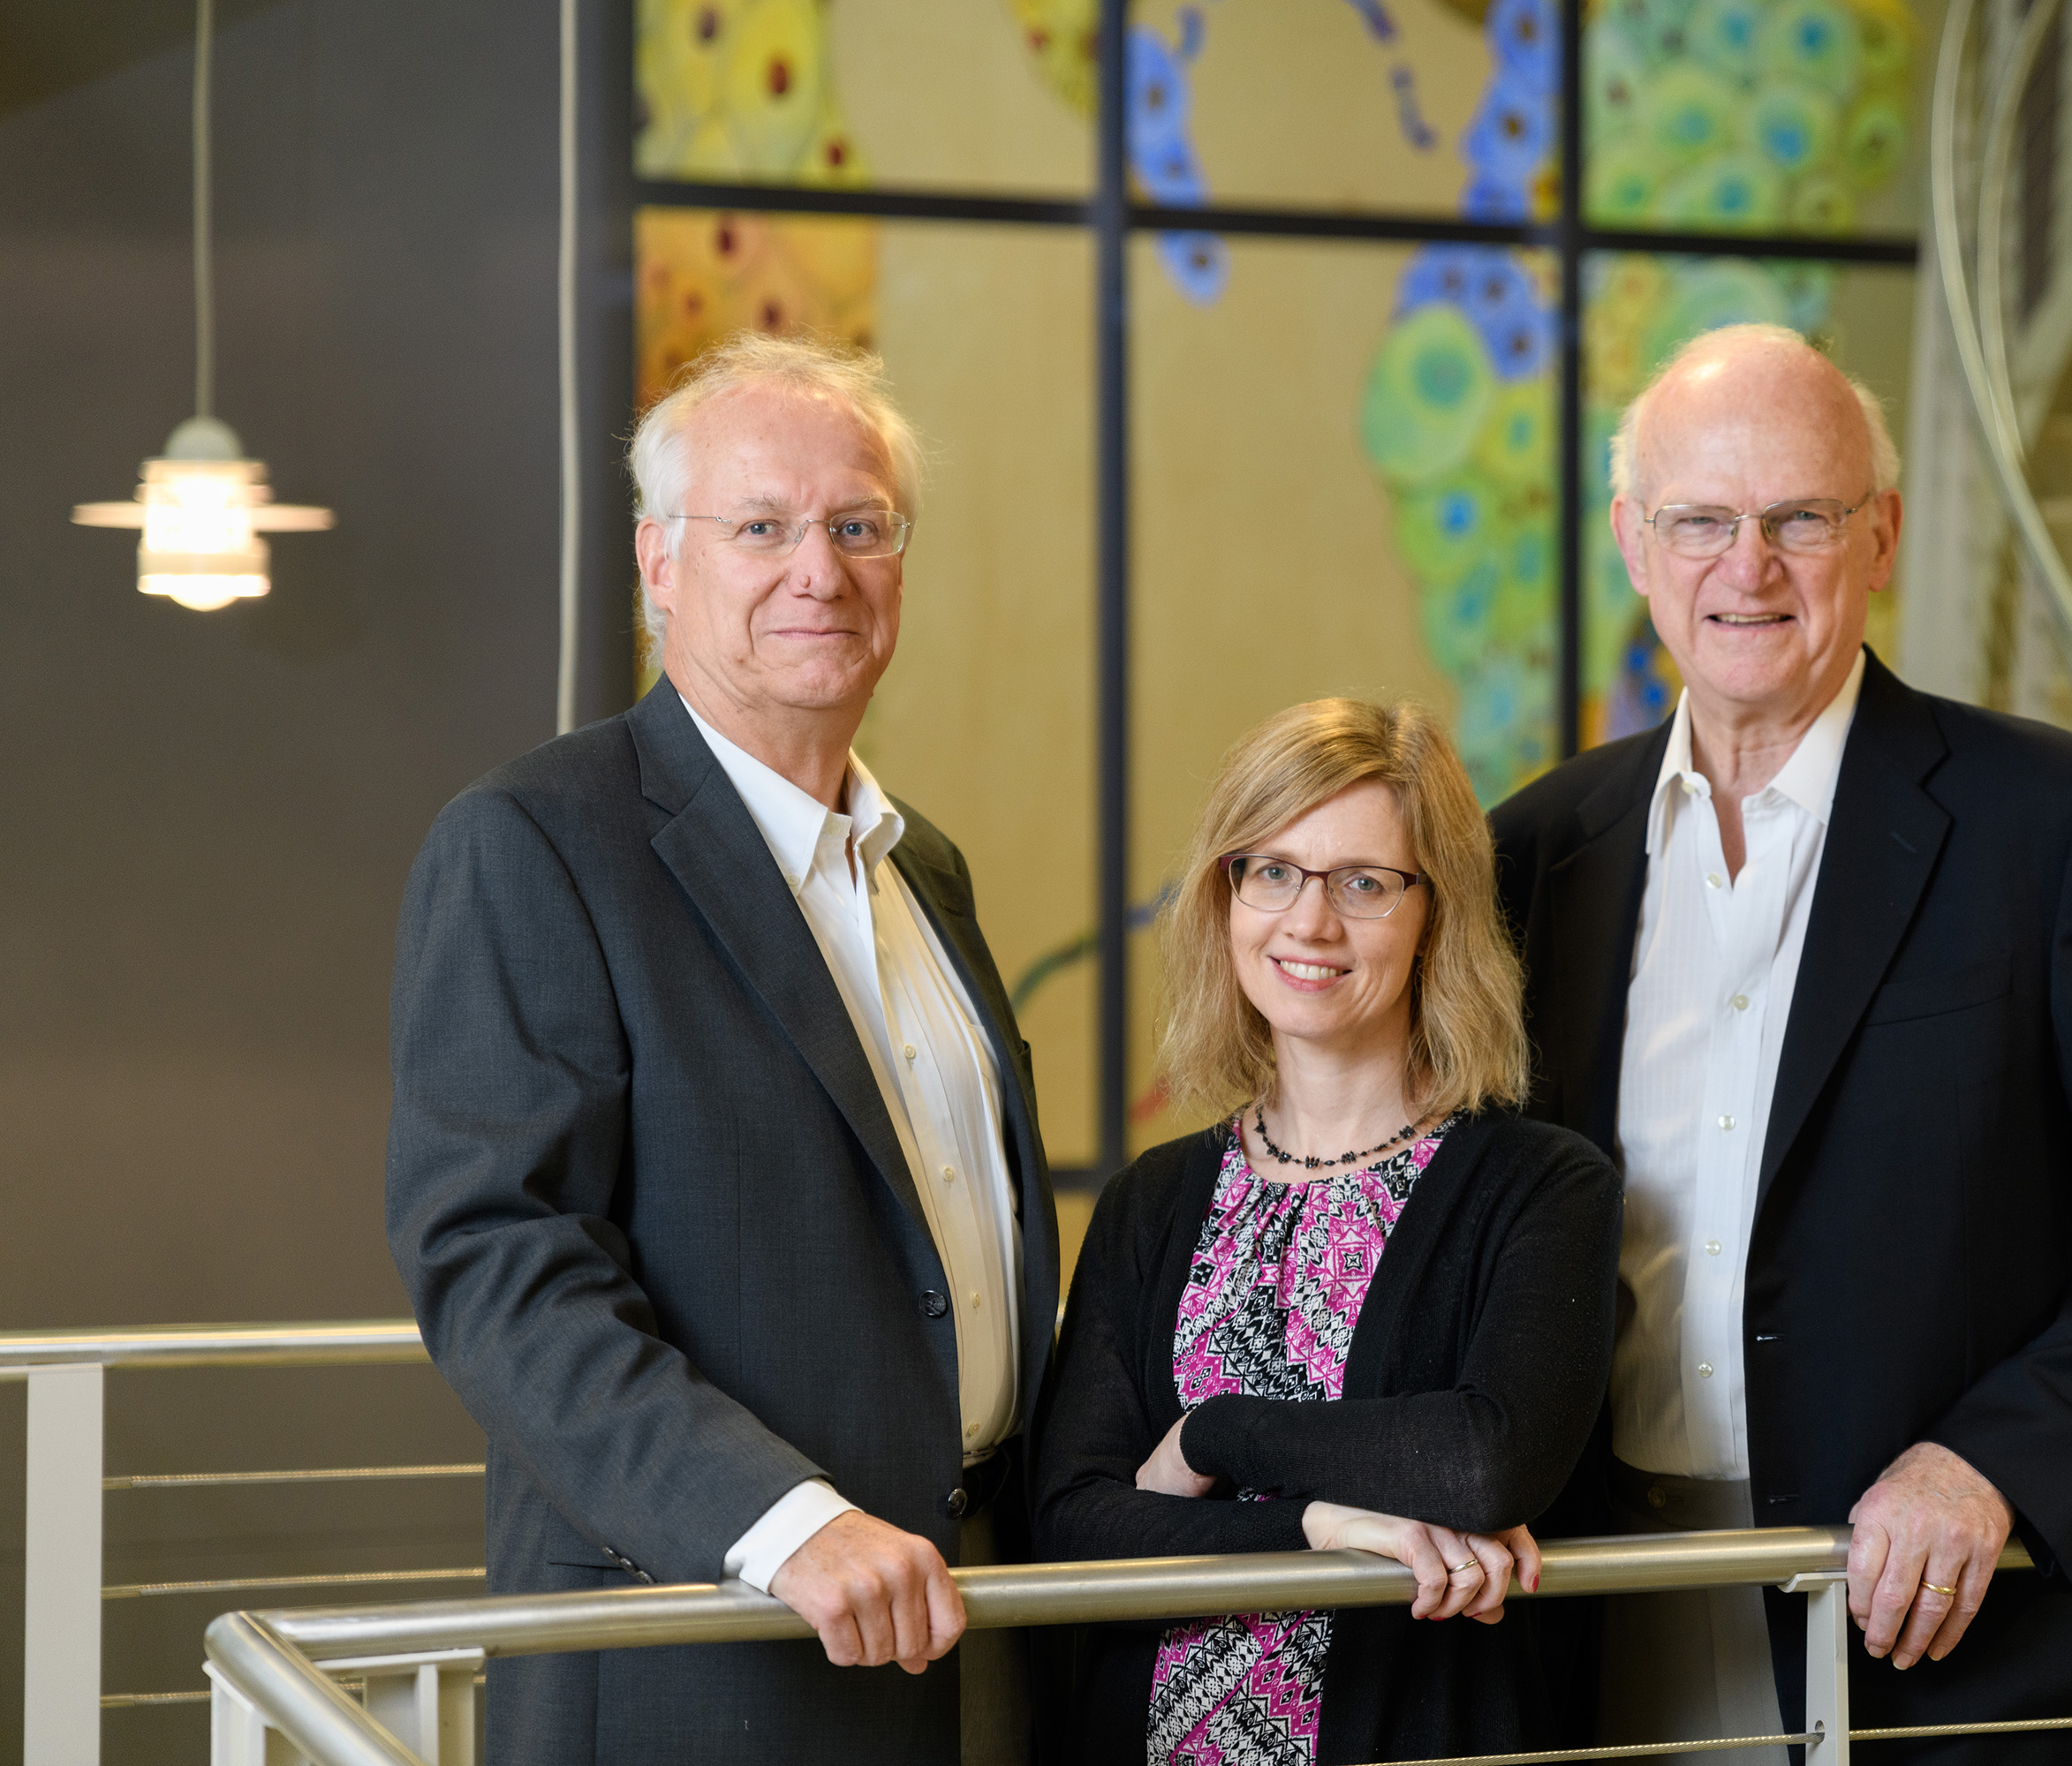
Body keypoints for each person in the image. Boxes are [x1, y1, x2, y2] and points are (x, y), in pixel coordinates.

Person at [1491, 324, 2072, 1762]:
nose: (1747, 568)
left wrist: (1994, 1459)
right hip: (1600, 1615)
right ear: (1632, 541)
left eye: (1800, 517)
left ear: (1880, 534)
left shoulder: (2051, 826)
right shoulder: (1540, 850)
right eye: (1700, 521)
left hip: (1946, 1634)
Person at [387, 333, 1056, 1764]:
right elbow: (498, 1263)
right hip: (702, 1639)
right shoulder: (539, 843)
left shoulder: (921, 867)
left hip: (962, 1628)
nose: (819, 570)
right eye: (760, 526)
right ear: (660, 564)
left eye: (858, 526)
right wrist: (785, 1523)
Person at [1034, 698, 1622, 1765]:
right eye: (1272, 871)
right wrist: (1322, 1523)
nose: (1309, 922)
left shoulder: (1540, 1185)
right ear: (1227, 898)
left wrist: (1212, 1433)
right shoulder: (1153, 1198)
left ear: (1436, 915)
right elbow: (1075, 1524)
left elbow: (1486, 1464)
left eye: (1363, 881)